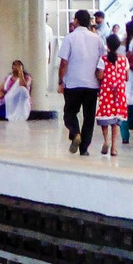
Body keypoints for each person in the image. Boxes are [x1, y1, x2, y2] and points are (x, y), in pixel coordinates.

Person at [58, 9, 106, 155]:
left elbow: (64, 62)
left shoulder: (70, 38)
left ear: (76, 21)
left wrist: (61, 80)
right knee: (89, 117)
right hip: (92, 85)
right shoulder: (97, 39)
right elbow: (102, 61)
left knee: (70, 113)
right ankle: (84, 149)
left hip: (73, 83)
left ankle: (75, 132)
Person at [96, 35, 129, 157]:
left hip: (106, 91)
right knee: (115, 120)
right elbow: (127, 76)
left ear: (107, 45)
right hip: (119, 92)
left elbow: (100, 76)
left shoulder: (103, 59)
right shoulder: (124, 59)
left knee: (105, 117)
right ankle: (114, 147)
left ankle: (106, 140)